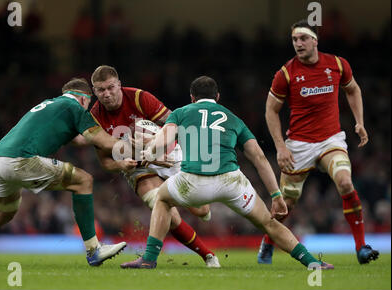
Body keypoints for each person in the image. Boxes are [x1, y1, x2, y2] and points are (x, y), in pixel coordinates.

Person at [120, 76, 333, 269]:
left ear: (192, 97)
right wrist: (276, 195)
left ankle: (149, 258)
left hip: (192, 182)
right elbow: (258, 158)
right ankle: (312, 262)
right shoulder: (234, 119)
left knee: (163, 200)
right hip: (231, 182)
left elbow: (162, 142)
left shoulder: (180, 113)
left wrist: (142, 156)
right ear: (218, 97)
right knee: (269, 223)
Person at [0, 78, 132, 267]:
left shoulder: (51, 105)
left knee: (2, 214)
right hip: (21, 160)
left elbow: (82, 140)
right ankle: (94, 250)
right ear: (84, 98)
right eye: (88, 104)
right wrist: (135, 145)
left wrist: (106, 137)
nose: (87, 108)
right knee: (83, 180)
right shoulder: (73, 106)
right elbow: (102, 140)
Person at [257, 20, 379, 265]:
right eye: (294, 40)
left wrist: (359, 121)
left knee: (345, 182)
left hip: (330, 140)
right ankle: (267, 244)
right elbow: (271, 110)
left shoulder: (336, 64)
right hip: (298, 146)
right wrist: (281, 146)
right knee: (286, 205)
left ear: (315, 40)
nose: (298, 44)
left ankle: (361, 247)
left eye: (303, 38)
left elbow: (353, 90)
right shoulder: (286, 74)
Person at [87, 65, 220, 268]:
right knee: (165, 209)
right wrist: (121, 163)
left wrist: (154, 146)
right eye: (100, 90)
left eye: (110, 88)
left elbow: (176, 125)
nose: (106, 94)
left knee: (201, 211)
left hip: (168, 154)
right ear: (94, 91)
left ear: (119, 85)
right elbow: (105, 161)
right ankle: (209, 255)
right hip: (139, 167)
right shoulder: (95, 117)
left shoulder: (140, 98)